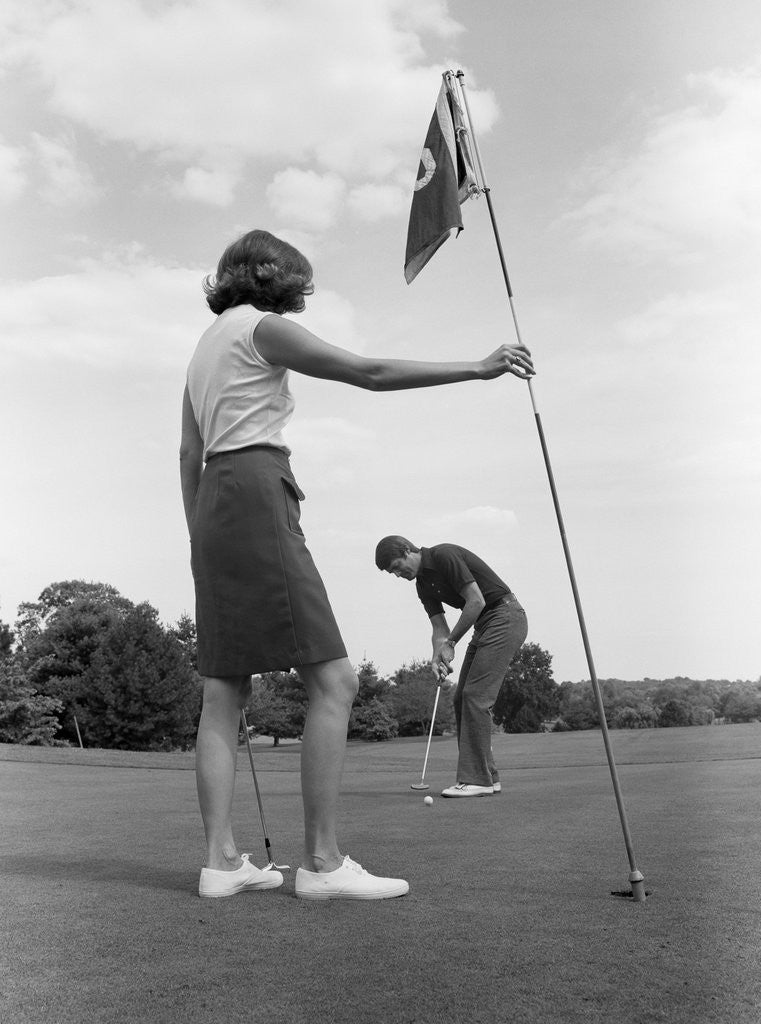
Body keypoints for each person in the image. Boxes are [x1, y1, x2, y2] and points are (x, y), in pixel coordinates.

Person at [180, 229, 534, 899]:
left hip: (214, 507)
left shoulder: (204, 348)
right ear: (279, 279)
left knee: (224, 691)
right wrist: (477, 368)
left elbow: (186, 455)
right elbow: (366, 373)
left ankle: (221, 863)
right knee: (335, 681)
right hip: (255, 489)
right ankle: (320, 863)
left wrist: (199, 536)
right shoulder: (261, 328)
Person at [375, 537, 528, 798]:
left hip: (505, 615)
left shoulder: (443, 556)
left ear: (407, 550)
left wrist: (452, 643)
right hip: (485, 625)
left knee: (476, 696)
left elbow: (476, 601)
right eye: (394, 573)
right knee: (461, 698)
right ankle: (488, 776)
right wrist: (438, 657)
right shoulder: (422, 585)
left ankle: (476, 780)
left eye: (398, 567)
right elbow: (439, 629)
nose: (399, 575)